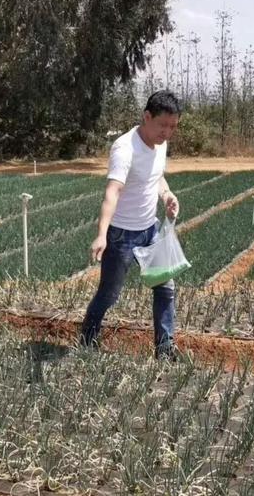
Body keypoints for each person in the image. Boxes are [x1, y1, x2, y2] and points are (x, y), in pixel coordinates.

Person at [80, 90, 181, 359]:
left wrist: (167, 195)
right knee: (109, 295)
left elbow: (156, 177)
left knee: (165, 288)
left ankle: (165, 348)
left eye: (173, 127)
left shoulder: (161, 144)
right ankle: (87, 338)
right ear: (146, 117)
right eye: (163, 125)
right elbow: (113, 191)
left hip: (150, 229)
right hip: (121, 236)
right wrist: (102, 234)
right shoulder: (125, 148)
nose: (167, 133)